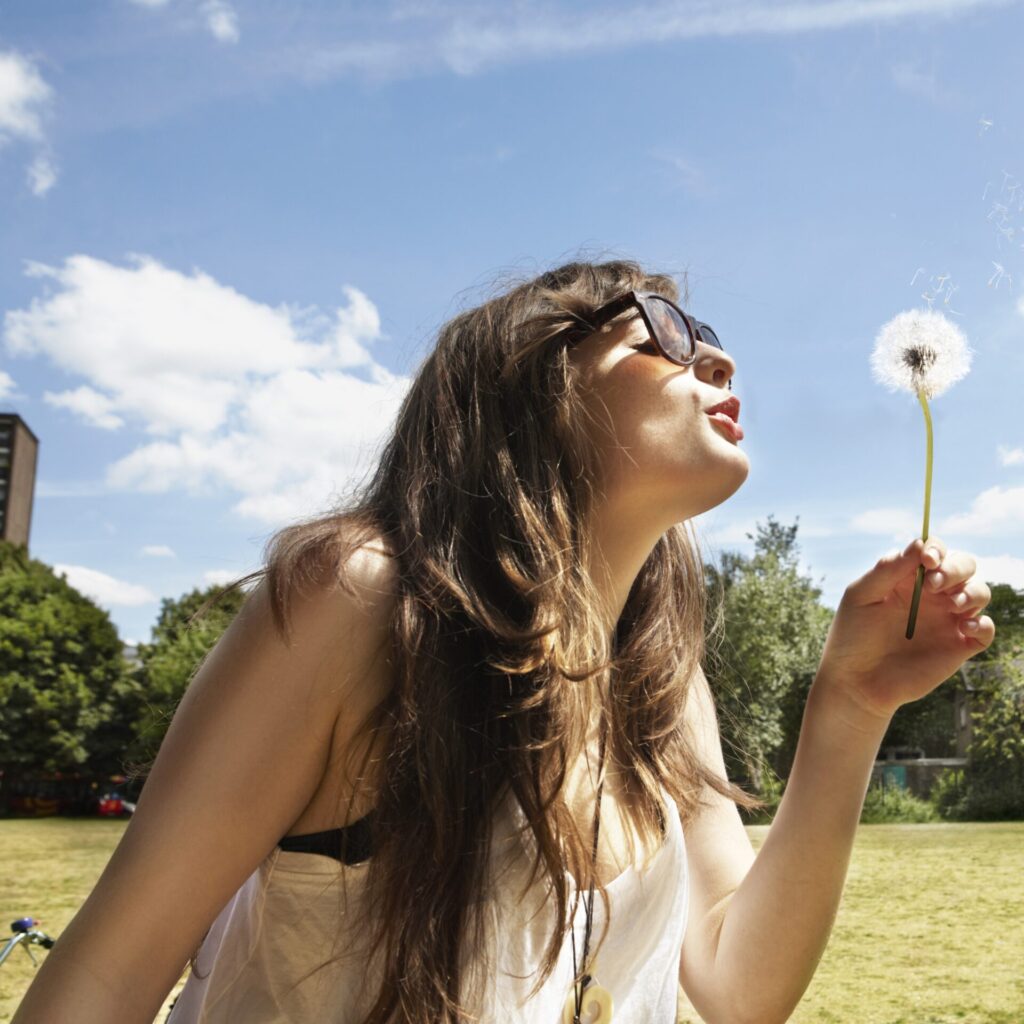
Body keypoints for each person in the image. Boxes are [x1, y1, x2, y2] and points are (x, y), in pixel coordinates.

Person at [13, 258, 995, 1024]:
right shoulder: (364, 606)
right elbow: (108, 972)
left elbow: (738, 984)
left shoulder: (663, 686)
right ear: (530, 381)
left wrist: (849, 708)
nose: (717, 358)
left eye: (712, 337)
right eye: (661, 328)